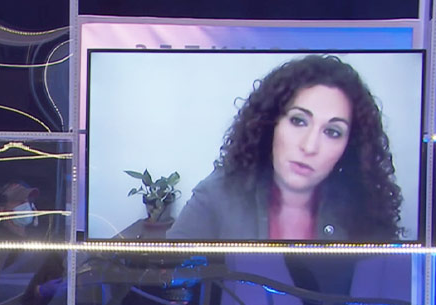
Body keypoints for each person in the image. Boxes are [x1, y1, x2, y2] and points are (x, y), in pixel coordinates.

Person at [166, 54, 404, 242]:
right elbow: (166, 279)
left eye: (332, 132)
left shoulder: (365, 207)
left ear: (350, 147)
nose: (309, 146)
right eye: (298, 121)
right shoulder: (217, 196)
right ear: (270, 123)